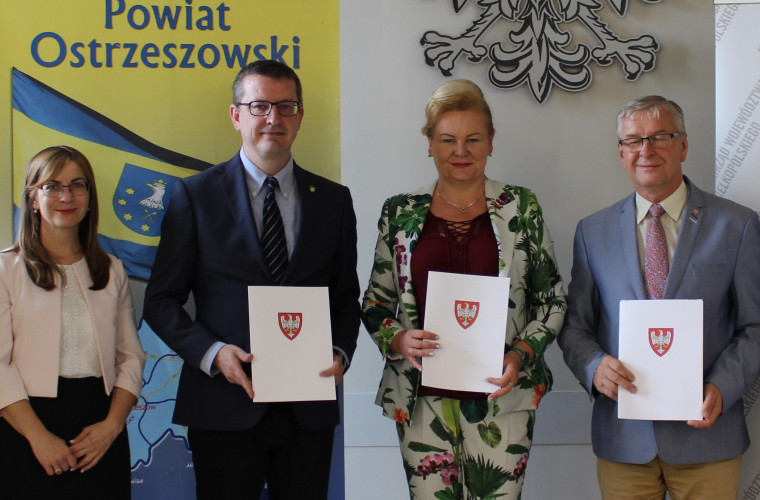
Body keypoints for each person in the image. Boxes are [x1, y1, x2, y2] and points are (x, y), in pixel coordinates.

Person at [143, 59, 360, 500]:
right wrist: (212, 353)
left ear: (300, 116)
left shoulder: (333, 201)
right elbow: (161, 301)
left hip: (307, 410)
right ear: (236, 115)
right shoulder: (194, 196)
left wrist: (340, 352)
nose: (273, 118)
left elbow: (344, 297)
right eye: (259, 106)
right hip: (223, 404)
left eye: (286, 106)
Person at [361, 79, 566, 499]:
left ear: (490, 142)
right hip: (420, 400)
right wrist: (397, 338)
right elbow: (375, 302)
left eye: (473, 139)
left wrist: (519, 355)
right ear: (429, 144)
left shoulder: (521, 206)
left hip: (502, 395)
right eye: (447, 139)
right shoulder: (399, 211)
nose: (461, 150)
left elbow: (552, 301)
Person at [558, 95, 760, 499]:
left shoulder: (736, 226)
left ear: (683, 145)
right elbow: (576, 326)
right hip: (624, 441)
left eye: (660, 137)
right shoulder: (592, 233)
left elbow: (755, 327)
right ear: (621, 153)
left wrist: (721, 386)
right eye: (633, 140)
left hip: (708, 440)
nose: (646, 149)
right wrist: (594, 367)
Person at [0, 146, 145, 499]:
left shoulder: (111, 270)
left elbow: (131, 358)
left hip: (99, 427)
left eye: (78, 185)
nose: (66, 197)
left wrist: (111, 427)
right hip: (25, 425)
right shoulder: (6, 270)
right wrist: (38, 437)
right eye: (52, 186)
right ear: (33, 198)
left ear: (90, 197)